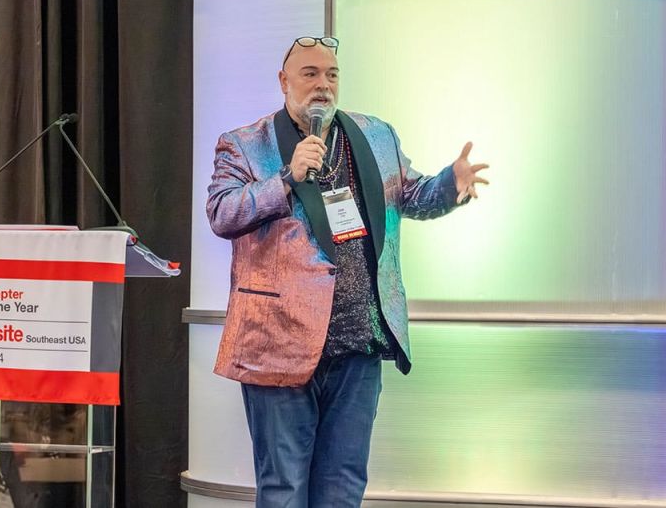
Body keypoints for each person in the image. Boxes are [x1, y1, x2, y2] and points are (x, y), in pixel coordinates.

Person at [206, 36, 489, 508]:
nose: (323, 84)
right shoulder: (244, 143)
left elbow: (411, 196)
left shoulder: (376, 135)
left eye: (331, 74)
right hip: (278, 342)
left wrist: (449, 185)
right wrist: (287, 178)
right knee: (283, 489)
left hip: (359, 339)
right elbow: (222, 213)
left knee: (343, 486)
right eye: (310, 74)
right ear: (284, 81)